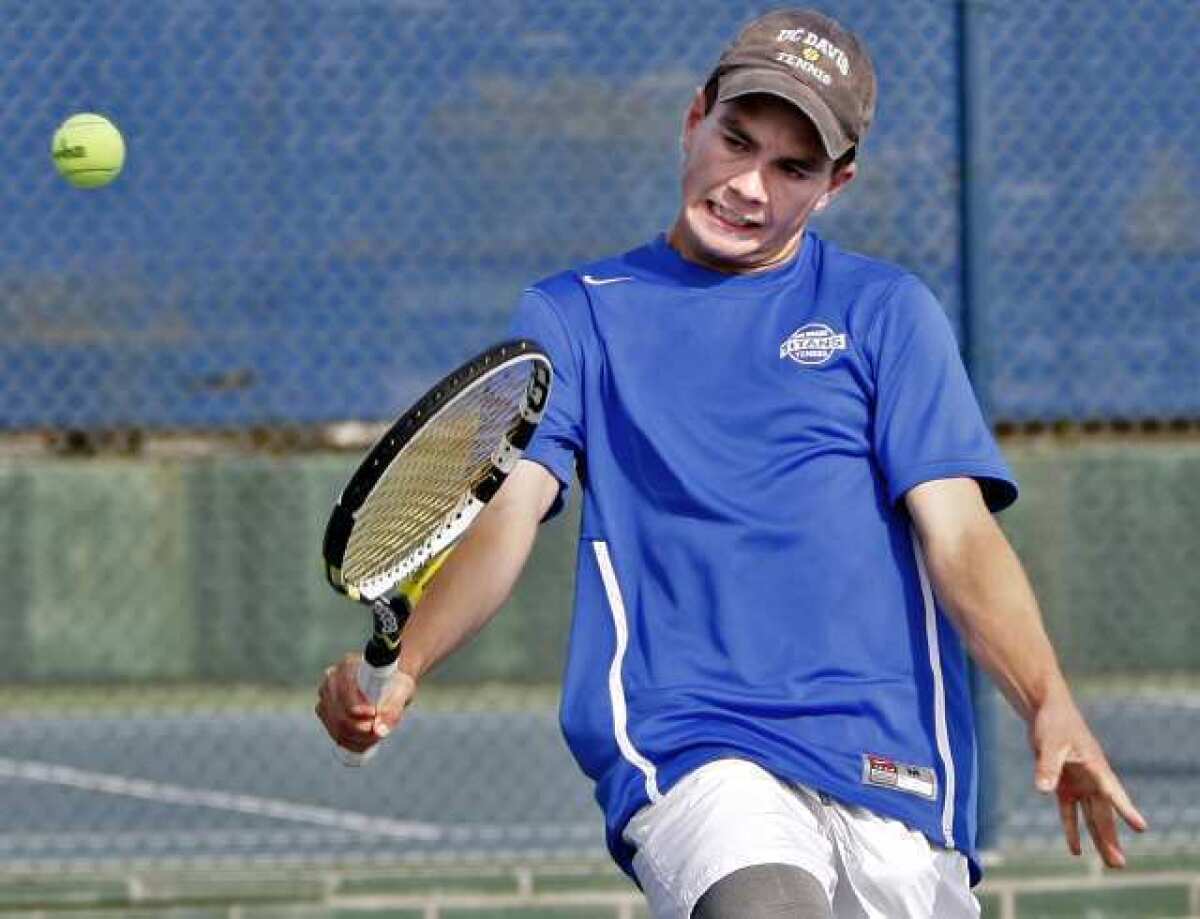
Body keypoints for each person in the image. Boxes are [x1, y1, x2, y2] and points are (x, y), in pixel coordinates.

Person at [317, 8, 1146, 917]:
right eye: (735, 140)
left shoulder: (886, 312)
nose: (748, 185)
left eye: (791, 168)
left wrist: (1048, 703)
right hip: (695, 742)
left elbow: (961, 538)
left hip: (891, 765)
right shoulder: (575, 316)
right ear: (693, 119)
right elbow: (507, 513)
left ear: (835, 184)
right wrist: (408, 665)